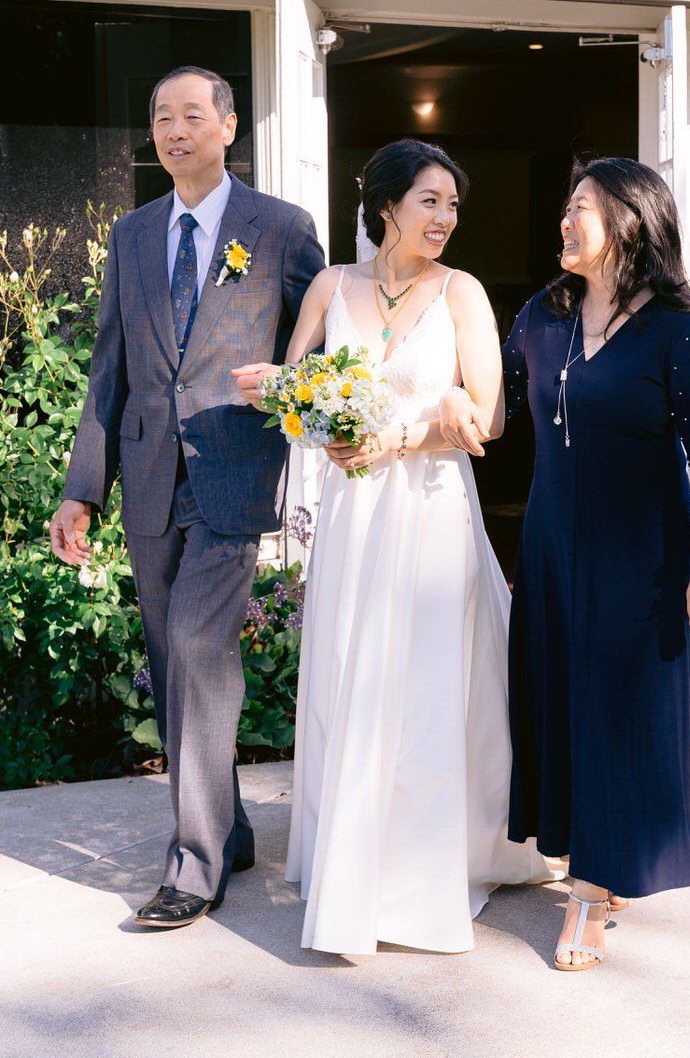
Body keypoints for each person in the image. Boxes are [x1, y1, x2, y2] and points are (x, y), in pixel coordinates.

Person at [242, 138, 554, 955]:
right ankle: (349, 852)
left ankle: (420, 868)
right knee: (355, 668)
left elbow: (484, 418)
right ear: (386, 206)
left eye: (453, 204)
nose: (445, 218)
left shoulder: (464, 294)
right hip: (353, 518)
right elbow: (295, 379)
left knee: (421, 680)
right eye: (429, 201)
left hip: (429, 514)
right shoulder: (330, 285)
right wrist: (287, 398)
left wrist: (404, 438)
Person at [441, 157, 690, 970]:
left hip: (641, 555)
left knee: (617, 714)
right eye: (565, 209)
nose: (565, 223)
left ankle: (593, 894)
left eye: (582, 210)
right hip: (551, 544)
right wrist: (427, 399)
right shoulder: (543, 312)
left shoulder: (679, 329)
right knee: (562, 706)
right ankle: (595, 857)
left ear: (630, 223)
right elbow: (489, 406)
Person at [50, 65, 325, 928]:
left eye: (192, 115)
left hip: (234, 475)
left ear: (229, 127)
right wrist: (81, 492)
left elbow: (321, 349)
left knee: (203, 654)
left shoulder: (278, 229)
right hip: (149, 482)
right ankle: (230, 828)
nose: (175, 130)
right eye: (162, 116)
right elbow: (112, 371)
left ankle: (194, 867)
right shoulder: (132, 236)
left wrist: (293, 388)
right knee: (176, 667)